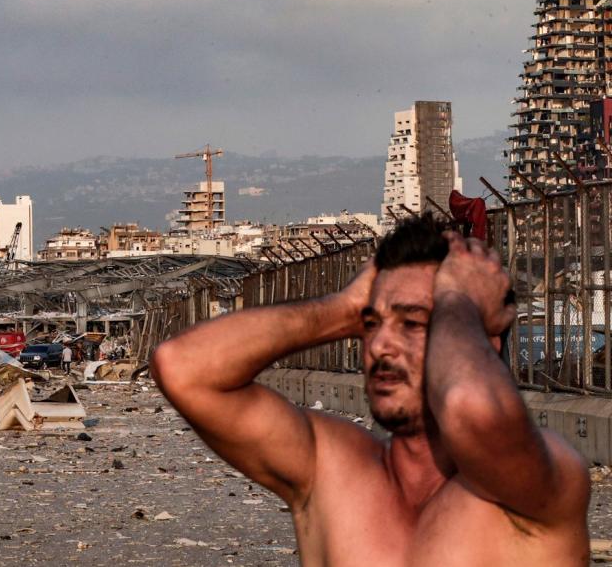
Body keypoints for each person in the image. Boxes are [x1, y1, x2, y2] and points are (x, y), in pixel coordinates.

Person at [151, 214, 590, 566]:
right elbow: (182, 368)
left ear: (481, 339)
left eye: (414, 323)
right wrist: (344, 309)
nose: (378, 346)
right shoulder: (330, 470)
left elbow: (469, 408)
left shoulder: (535, 486)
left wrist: (459, 299)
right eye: (371, 325)